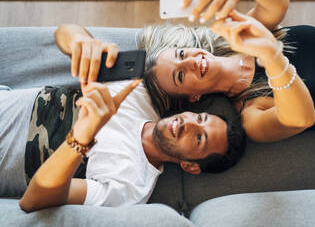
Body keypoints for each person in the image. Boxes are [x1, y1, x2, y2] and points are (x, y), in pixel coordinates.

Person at [0, 24, 246, 212]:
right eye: (200, 118)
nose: (188, 124)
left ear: (190, 166)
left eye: (199, 138)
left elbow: (34, 200)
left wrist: (83, 135)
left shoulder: (131, 187)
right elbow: (65, 31)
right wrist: (82, 41)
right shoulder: (139, 92)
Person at [141, 0, 315, 143]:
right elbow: (300, 119)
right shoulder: (251, 115)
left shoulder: (237, 36)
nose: (189, 62)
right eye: (180, 75)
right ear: (193, 97)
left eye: (181, 54)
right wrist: (271, 57)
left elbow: (276, 5)